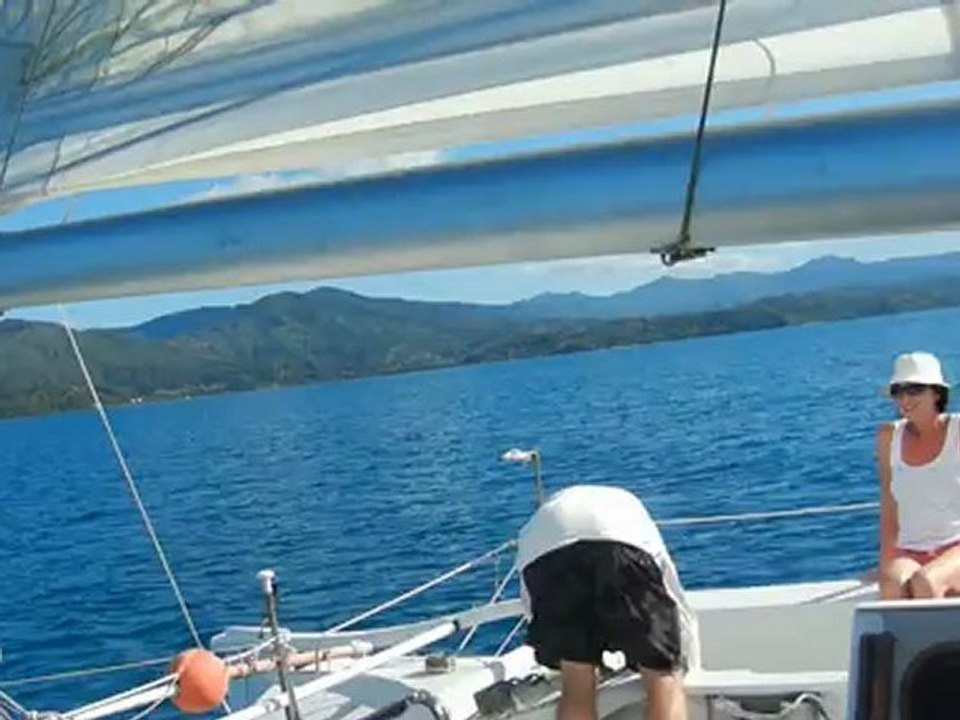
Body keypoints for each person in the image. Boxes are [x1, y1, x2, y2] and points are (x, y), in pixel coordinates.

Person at [517, 484, 698, 720]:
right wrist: (674, 655)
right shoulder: (630, 509)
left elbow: (533, 607)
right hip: (619, 537)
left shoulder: (544, 519)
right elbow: (669, 591)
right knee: (662, 676)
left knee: (576, 680)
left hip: (546, 546)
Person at [877, 351, 960, 600]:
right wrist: (886, 562)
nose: (905, 398)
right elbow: (889, 503)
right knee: (892, 582)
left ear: (936, 393)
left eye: (914, 390)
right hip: (910, 550)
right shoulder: (888, 436)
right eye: (898, 391)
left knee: (926, 581)